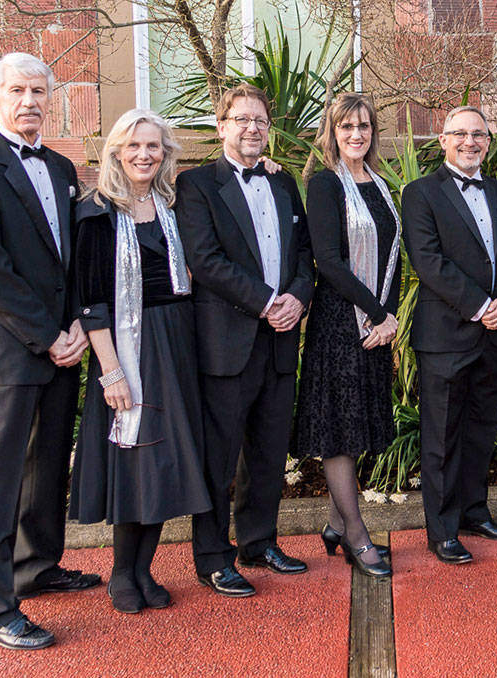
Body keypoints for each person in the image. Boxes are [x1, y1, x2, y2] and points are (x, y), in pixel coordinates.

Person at [0, 52, 98, 650]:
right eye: (18, 90)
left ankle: (37, 567)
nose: (30, 100)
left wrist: (81, 326)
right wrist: (48, 334)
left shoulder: (62, 167)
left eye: (39, 90)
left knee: (45, 467)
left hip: (64, 344)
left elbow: (74, 256)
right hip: (13, 350)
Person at [68, 109, 213, 613]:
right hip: (128, 346)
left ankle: (146, 569)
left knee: (167, 462)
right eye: (133, 146)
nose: (143, 155)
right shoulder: (97, 212)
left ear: (165, 153)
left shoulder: (172, 205)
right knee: (136, 462)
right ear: (116, 151)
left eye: (153, 146)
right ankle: (121, 574)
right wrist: (111, 371)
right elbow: (90, 302)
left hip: (177, 347)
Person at [176, 83, 315, 596]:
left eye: (259, 119)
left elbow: (304, 253)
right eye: (241, 119)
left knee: (268, 451)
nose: (252, 128)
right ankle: (213, 556)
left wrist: (297, 298)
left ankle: (258, 541)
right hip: (228, 340)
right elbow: (205, 260)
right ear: (222, 126)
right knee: (219, 456)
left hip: (280, 340)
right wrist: (265, 301)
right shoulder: (196, 185)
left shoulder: (284, 184)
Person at [401, 105, 497, 564]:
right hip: (446, 336)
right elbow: (428, 260)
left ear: (489, 142)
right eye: (460, 134)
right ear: (443, 140)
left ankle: (475, 512)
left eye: (478, 135)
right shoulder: (420, 193)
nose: (469, 142)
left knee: (480, 430)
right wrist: (481, 307)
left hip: (495, 334)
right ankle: (442, 530)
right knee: (442, 437)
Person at [295, 93, 398, 578]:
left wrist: (389, 316)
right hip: (340, 323)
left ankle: (336, 524)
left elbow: (394, 257)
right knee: (339, 430)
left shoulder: (380, 183)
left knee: (358, 424)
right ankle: (356, 534)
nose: (356, 135)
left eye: (364, 126)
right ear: (331, 133)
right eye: (346, 127)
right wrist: (378, 314)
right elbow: (329, 262)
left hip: (376, 323)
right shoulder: (324, 185)